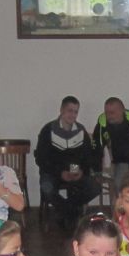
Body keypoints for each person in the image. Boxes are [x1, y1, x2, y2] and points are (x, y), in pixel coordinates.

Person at [35, 95, 101, 231]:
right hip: (52, 172)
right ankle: (71, 212)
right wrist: (60, 173)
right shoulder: (48, 130)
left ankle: (65, 212)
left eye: (76, 112)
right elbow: (41, 158)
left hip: (74, 170)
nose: (73, 115)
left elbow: (87, 156)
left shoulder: (80, 131)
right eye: (70, 110)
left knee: (95, 188)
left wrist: (80, 171)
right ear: (61, 110)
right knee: (47, 189)